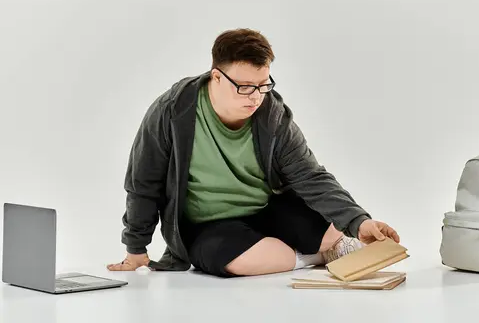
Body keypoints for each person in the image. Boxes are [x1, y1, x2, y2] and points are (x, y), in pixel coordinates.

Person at [107, 28, 399, 278]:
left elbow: (309, 175)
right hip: (207, 225)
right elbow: (144, 181)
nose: (256, 97)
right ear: (216, 77)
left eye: (263, 85)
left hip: (265, 210)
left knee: (333, 226)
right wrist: (136, 248)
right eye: (245, 87)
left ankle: (328, 246)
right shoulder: (173, 110)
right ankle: (317, 257)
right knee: (233, 259)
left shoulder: (271, 113)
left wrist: (360, 221)